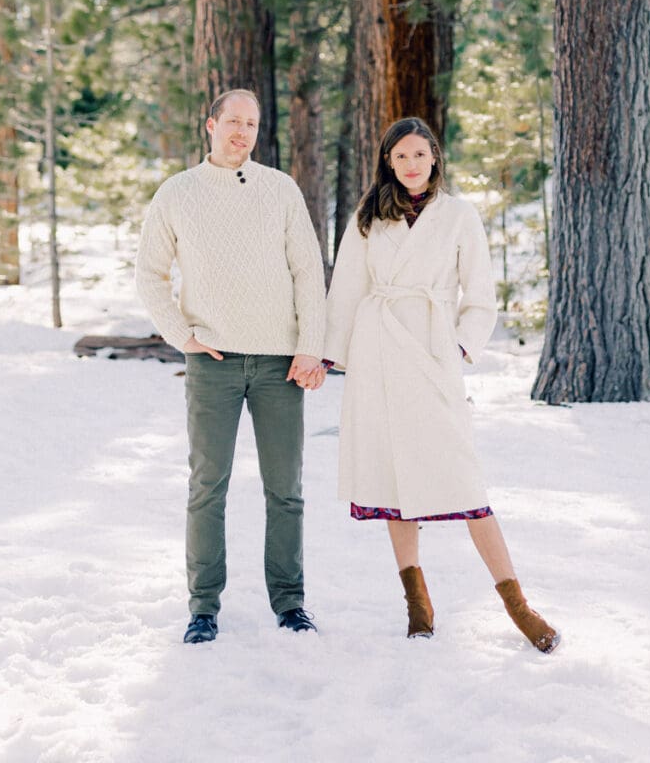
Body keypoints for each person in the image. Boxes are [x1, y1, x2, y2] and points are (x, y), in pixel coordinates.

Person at [324, 117, 559, 653]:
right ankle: (418, 607)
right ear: (388, 160)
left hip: (432, 354)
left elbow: (480, 296)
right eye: (401, 156)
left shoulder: (459, 216)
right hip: (379, 354)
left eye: (420, 155)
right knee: (394, 485)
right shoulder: (369, 217)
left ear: (435, 159)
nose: (411, 165)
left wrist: (455, 350)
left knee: (466, 487)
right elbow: (345, 293)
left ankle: (519, 608)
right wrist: (327, 354)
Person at [136, 88, 327, 644]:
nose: (242, 132)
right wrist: (182, 336)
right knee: (207, 486)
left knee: (285, 489)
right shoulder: (177, 193)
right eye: (233, 122)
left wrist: (309, 346)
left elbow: (308, 274)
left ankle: (290, 603)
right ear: (210, 126)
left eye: (252, 123)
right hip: (213, 363)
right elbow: (150, 274)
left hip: (279, 363)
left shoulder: (280, 190)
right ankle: (202, 608)